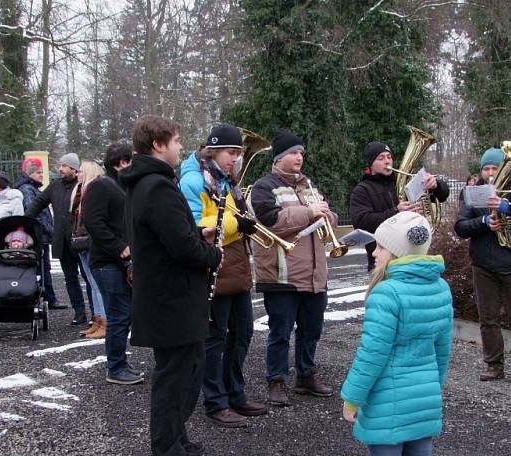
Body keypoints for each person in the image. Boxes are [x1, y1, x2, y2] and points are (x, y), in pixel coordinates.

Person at [342, 211, 453, 456]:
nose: (374, 252)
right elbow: (442, 349)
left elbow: (372, 355)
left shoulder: (386, 293)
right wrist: (431, 389)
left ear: (397, 252)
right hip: (423, 396)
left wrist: (352, 396)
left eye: (381, 247)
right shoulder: (441, 287)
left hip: (388, 398)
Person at [126, 114, 221, 456]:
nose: (181, 147)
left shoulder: (146, 184)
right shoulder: (158, 186)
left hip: (168, 297)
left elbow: (171, 236)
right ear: (158, 144)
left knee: (183, 372)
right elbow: (181, 247)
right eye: (177, 141)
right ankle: (167, 451)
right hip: (172, 299)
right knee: (173, 378)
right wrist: (212, 253)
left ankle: (177, 439)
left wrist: (197, 237)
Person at [180, 123, 269, 427]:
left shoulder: (226, 181)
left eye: (238, 154)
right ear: (214, 150)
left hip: (237, 267)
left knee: (242, 334)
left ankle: (235, 393)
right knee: (216, 339)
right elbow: (196, 226)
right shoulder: (194, 181)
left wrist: (245, 218)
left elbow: (228, 216)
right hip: (215, 268)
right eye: (232, 153)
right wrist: (237, 224)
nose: (236, 160)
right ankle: (215, 401)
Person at [250, 128, 338, 407]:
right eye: (294, 152)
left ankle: (306, 374)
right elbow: (269, 220)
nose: (300, 156)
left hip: (314, 275)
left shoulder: (309, 186)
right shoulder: (264, 187)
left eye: (301, 152)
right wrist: (310, 212)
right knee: (280, 331)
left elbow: (329, 216)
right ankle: (276, 380)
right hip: (282, 275)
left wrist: (328, 216)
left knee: (311, 329)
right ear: (279, 158)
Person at [454, 148, 511, 390]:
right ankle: (493, 365)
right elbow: (460, 227)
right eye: (487, 168)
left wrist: (507, 207)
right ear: (481, 171)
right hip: (484, 265)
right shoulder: (473, 193)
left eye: (495, 168)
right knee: (488, 319)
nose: (491, 173)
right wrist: (485, 222)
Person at [85, 143, 144, 385]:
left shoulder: (123, 186)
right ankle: (115, 367)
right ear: (121, 162)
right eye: (133, 160)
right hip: (107, 262)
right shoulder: (102, 185)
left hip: (118, 261)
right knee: (119, 314)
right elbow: (93, 222)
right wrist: (120, 247)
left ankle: (119, 364)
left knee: (123, 313)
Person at [350, 141, 449, 271]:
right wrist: (396, 212)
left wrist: (436, 185)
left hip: (413, 255)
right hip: (382, 262)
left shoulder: (403, 183)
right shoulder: (362, 190)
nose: (387, 161)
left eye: (389, 157)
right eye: (381, 158)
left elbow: (442, 196)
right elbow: (361, 222)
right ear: (371, 164)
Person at [25, 153, 92, 325]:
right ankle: (79, 312)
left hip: (82, 241)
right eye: (60, 165)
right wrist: (25, 221)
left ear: (74, 169)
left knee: (89, 278)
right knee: (70, 278)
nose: (60, 169)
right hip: (62, 241)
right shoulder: (55, 186)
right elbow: (38, 203)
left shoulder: (84, 185)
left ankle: (96, 313)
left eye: (64, 166)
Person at [15, 158, 64, 309]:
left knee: (42, 267)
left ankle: (46, 297)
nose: (42, 175)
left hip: (39, 234)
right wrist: (47, 229)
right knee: (42, 268)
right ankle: (48, 298)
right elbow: (33, 212)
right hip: (38, 236)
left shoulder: (31, 188)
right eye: (39, 172)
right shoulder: (28, 190)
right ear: (30, 174)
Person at [69, 160, 107, 339]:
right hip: (81, 241)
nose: (78, 174)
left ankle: (104, 321)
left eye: (81, 172)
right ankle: (98, 319)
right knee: (92, 284)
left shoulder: (93, 191)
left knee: (97, 284)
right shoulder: (79, 192)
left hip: (90, 242)